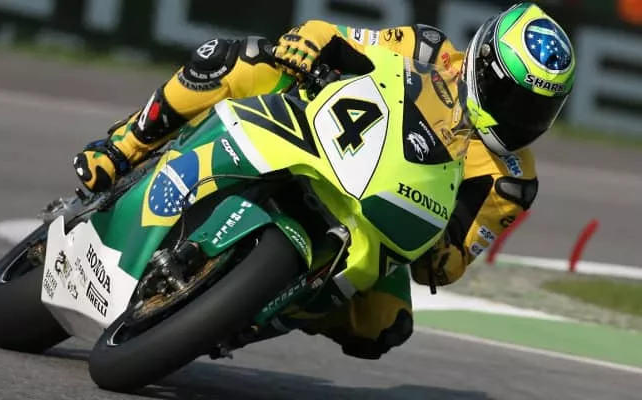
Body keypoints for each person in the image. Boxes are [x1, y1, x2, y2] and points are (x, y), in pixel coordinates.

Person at [72, 2, 575, 360]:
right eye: (515, 98)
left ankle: (252, 309)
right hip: (319, 132)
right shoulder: (428, 49)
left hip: (378, 221)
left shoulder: (512, 181)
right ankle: (122, 148)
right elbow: (340, 38)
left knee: (385, 326)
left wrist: (440, 254)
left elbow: (451, 261)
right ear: (484, 65)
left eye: (540, 108)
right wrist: (311, 45)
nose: (524, 118)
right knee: (241, 58)